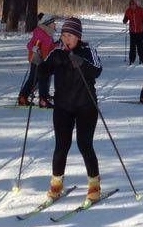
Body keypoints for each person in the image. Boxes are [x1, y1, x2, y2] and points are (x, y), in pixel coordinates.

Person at [35, 16, 105, 202]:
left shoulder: (87, 50)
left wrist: (81, 63)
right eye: (64, 34)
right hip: (63, 107)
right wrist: (38, 61)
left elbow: (98, 69)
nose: (66, 39)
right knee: (61, 146)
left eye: (71, 36)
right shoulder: (57, 52)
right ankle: (56, 184)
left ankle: (94, 185)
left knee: (84, 144)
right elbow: (43, 71)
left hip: (86, 106)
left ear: (78, 37)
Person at [19, 13, 56, 108]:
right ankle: (39, 100)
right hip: (37, 59)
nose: (55, 25)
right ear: (47, 24)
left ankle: (27, 97)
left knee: (40, 79)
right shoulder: (40, 32)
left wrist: (57, 45)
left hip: (45, 59)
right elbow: (29, 45)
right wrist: (34, 48)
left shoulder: (48, 33)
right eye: (53, 23)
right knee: (35, 79)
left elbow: (49, 47)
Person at [123, 0, 143, 65]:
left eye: (133, 5)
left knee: (140, 46)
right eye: (131, 5)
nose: (132, 6)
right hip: (132, 31)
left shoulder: (140, 10)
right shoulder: (128, 11)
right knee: (132, 46)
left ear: (135, 5)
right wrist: (125, 20)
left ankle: (142, 58)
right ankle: (132, 59)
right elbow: (126, 18)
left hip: (140, 31)